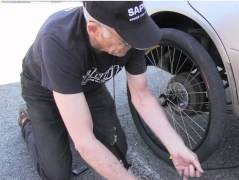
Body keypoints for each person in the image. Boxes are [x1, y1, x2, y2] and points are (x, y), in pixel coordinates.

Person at [18, 1, 204, 180]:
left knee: (117, 153)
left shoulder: (132, 35)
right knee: (56, 173)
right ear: (94, 30)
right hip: (43, 90)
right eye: (125, 40)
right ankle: (28, 122)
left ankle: (69, 121)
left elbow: (142, 96)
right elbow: (85, 143)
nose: (133, 45)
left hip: (89, 85)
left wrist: (176, 146)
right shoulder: (58, 41)